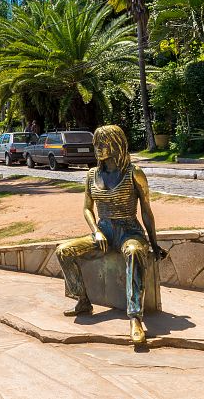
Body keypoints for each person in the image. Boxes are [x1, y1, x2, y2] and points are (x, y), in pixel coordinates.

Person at [54, 124, 166, 345]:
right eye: (96, 143)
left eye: (102, 143)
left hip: (129, 231)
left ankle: (135, 318)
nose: (97, 148)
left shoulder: (134, 173)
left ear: (116, 144)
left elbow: (146, 211)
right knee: (63, 251)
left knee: (134, 252)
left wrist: (154, 244)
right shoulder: (91, 175)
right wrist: (96, 232)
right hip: (103, 231)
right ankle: (82, 300)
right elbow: (87, 209)